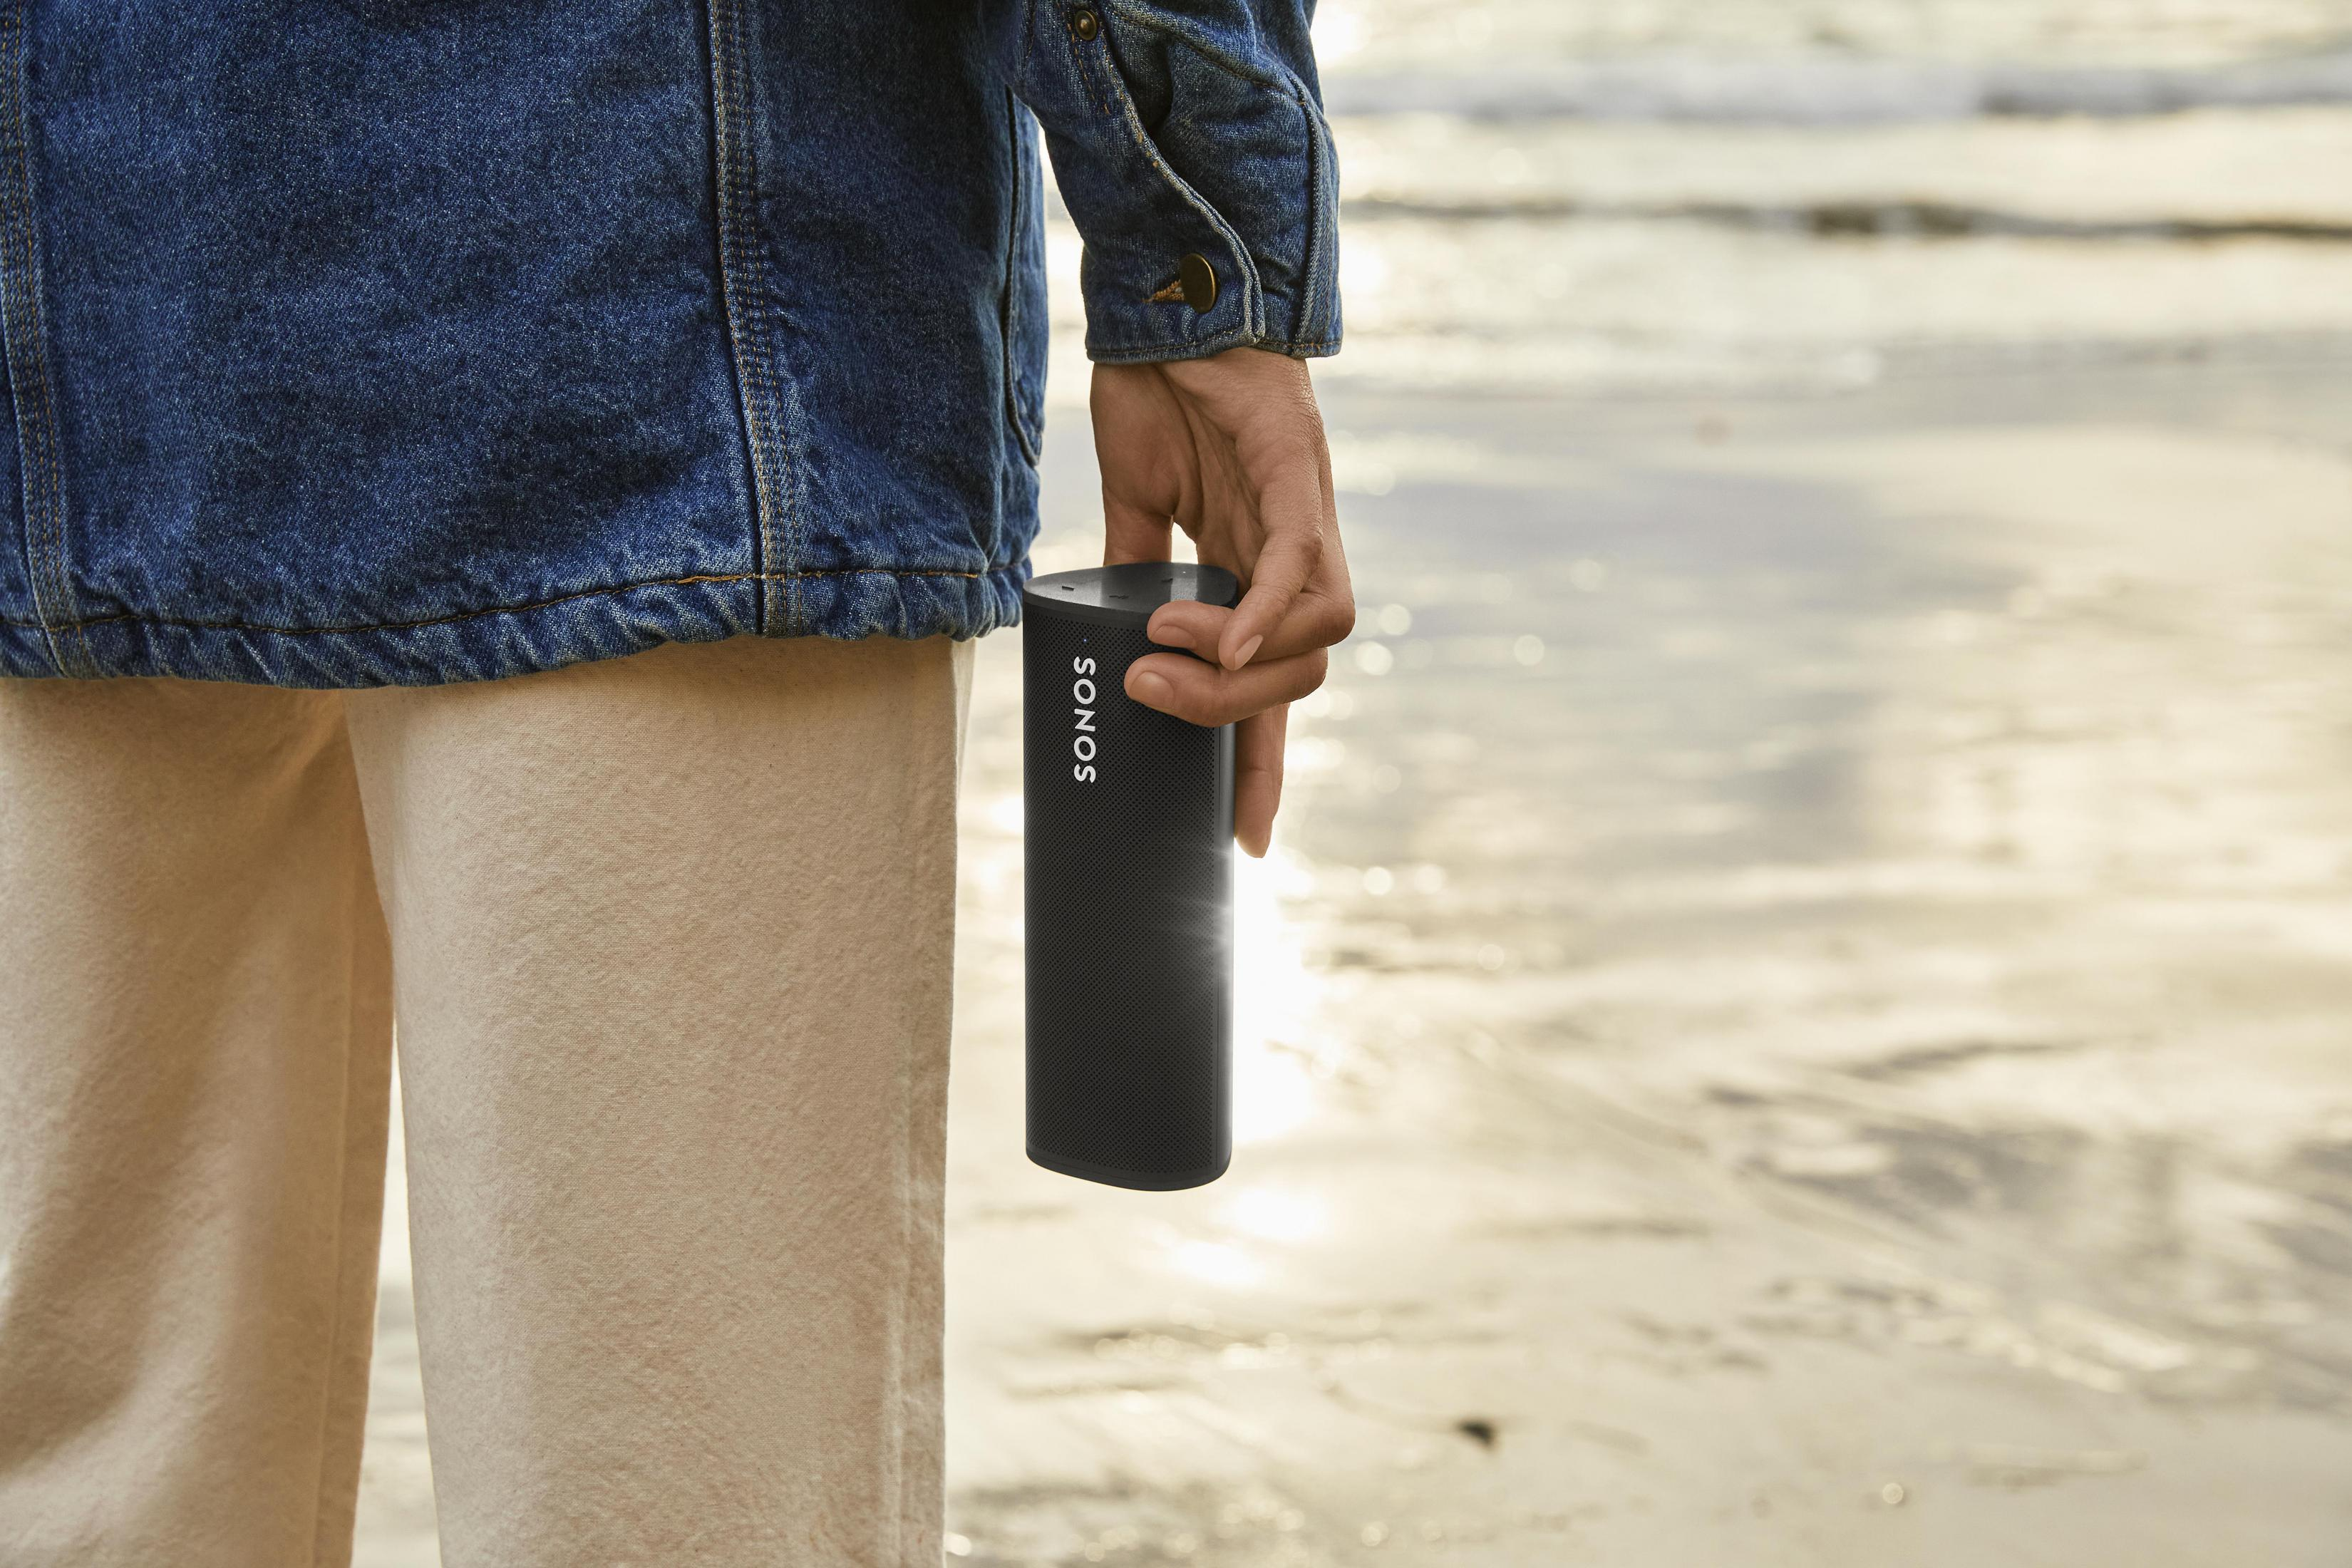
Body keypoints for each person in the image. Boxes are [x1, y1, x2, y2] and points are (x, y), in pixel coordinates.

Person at [0, 2, 1352, 1564]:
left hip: (65, 347)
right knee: (671, 1483)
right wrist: (1204, 266)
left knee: (86, 1484)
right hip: (677, 321)